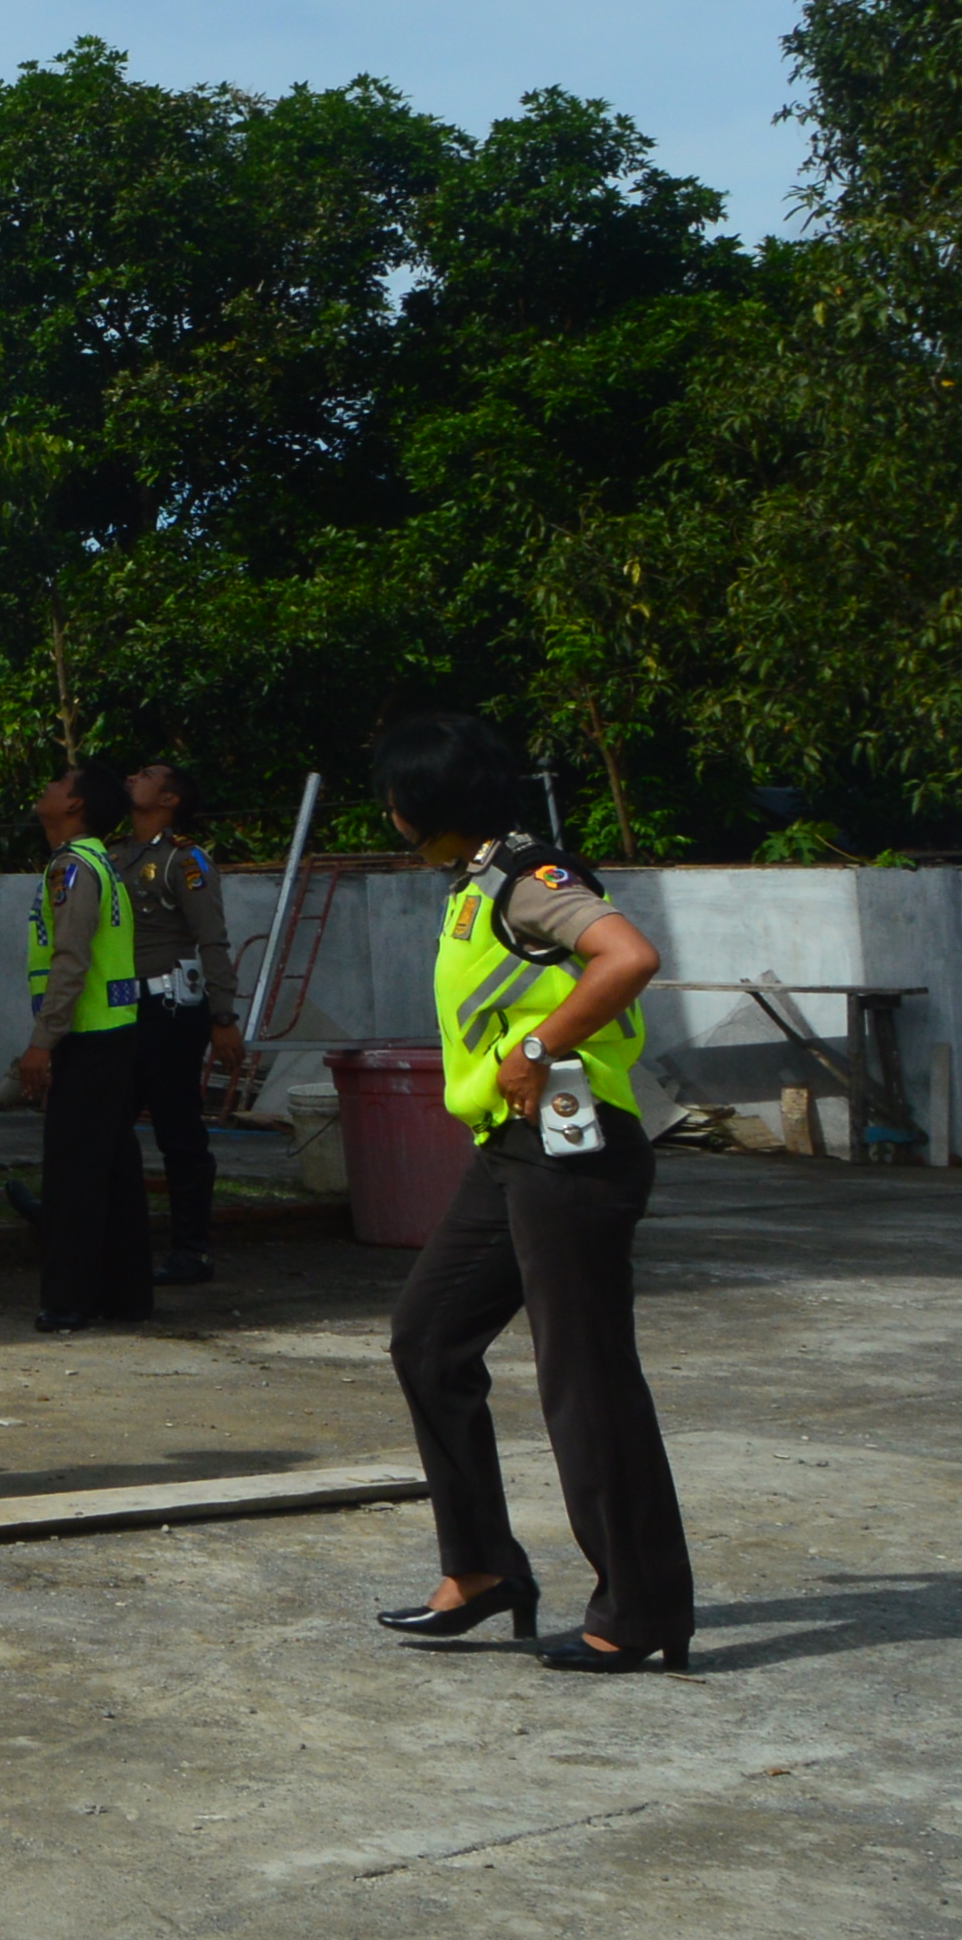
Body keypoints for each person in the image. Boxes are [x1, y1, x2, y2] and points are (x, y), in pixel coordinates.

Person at [370, 712, 693, 1675]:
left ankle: (640, 1613)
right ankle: (481, 1571)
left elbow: (628, 957)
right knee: (427, 1340)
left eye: (393, 794)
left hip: (573, 1157)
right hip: (510, 1152)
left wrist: (538, 1047)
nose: (387, 809)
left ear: (421, 804)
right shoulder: (475, 884)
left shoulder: (530, 878)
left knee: (584, 1380)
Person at [8, 761, 156, 1333]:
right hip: (117, 1030)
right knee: (114, 1169)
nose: (45, 786)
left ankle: (67, 1300)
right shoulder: (101, 863)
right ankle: (125, 1296)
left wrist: (42, 1042)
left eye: (55, 781)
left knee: (72, 1175)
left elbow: (71, 961)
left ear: (74, 805)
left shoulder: (71, 868)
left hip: (87, 1038)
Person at [123, 762, 247, 1283]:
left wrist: (223, 1015)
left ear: (169, 799)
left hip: (172, 1010)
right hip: (122, 1009)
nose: (134, 777)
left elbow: (211, 939)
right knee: (101, 1121)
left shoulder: (184, 859)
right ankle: (86, 1223)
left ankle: (192, 1249)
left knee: (178, 1132)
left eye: (147, 774)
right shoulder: (117, 855)